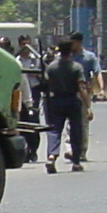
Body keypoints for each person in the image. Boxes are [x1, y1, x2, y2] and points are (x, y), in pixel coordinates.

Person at [40, 41, 87, 173]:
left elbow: (45, 84)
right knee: (76, 131)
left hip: (55, 101)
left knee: (54, 130)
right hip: (72, 100)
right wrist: (87, 106)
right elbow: (81, 87)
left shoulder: (51, 67)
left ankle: (51, 157)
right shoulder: (76, 67)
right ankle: (76, 162)